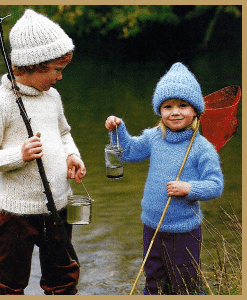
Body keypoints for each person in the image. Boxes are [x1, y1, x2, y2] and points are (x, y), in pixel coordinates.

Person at [0, 9, 86, 295]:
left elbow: (63, 134)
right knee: (7, 283)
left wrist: (72, 156)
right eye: (56, 70)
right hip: (16, 215)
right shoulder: (2, 103)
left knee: (64, 279)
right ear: (30, 66)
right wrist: (18, 155)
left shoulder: (52, 97)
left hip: (58, 206)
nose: (59, 78)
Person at [105, 62, 224, 295]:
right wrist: (118, 130)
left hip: (184, 230)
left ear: (196, 110)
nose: (175, 112)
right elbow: (128, 152)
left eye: (183, 105)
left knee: (184, 282)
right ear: (159, 110)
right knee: (154, 279)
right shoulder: (153, 137)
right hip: (152, 225)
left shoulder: (201, 147)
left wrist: (189, 187)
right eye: (167, 106)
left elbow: (215, 185)